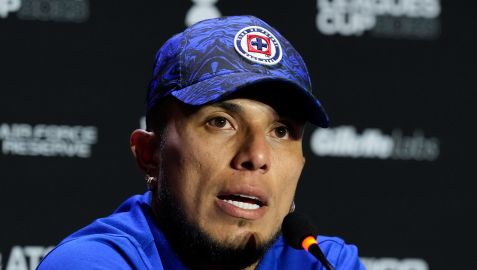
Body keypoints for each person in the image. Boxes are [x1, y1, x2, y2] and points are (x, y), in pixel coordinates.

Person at [38, 15, 365, 270]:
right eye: (221, 122)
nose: (256, 155)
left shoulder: (323, 262)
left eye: (280, 130)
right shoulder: (93, 262)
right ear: (150, 154)